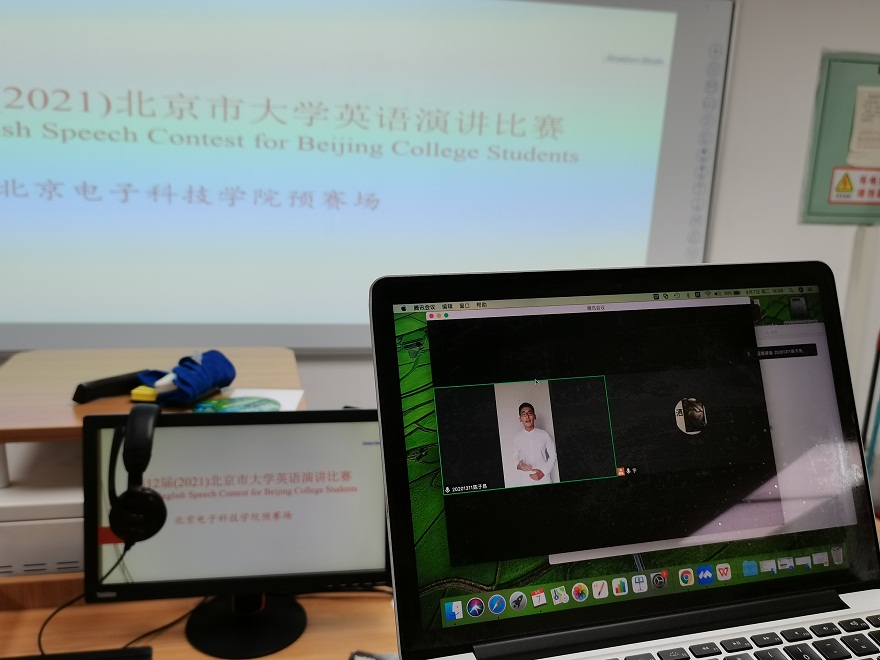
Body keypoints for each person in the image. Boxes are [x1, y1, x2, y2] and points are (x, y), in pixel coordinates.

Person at [512, 402, 557, 486]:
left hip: (544, 480)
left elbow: (553, 455)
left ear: (534, 416)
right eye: (524, 414)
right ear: (520, 419)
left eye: (530, 413)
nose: (527, 417)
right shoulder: (517, 438)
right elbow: (514, 457)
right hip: (525, 481)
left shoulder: (544, 434)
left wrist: (543, 472)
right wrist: (518, 466)